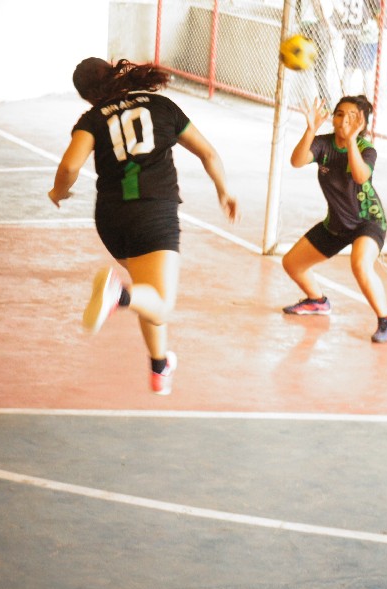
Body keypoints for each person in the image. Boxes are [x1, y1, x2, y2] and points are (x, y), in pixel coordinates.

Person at [49, 57, 239, 396]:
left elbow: (69, 167)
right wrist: (224, 190)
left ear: (86, 95)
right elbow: (208, 154)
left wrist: (58, 192)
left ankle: (159, 364)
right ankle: (118, 294)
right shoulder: (160, 106)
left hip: (111, 219)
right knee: (160, 302)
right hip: (153, 214)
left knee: (148, 292)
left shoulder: (92, 119)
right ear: (114, 73)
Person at [281, 95, 387, 344]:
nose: (344, 120)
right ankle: (317, 301)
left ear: (362, 124)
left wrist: (352, 141)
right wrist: (310, 130)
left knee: (360, 264)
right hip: (337, 223)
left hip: (368, 221)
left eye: (352, 117)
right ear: (332, 118)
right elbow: (296, 161)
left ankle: (386, 321)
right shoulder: (323, 143)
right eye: (340, 114)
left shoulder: (366, 149)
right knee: (291, 263)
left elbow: (360, 176)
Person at [333, 0, 380, 100]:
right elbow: (377, 12)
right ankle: (368, 100)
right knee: (366, 71)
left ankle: (344, 98)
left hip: (352, 32)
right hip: (366, 34)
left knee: (348, 69)